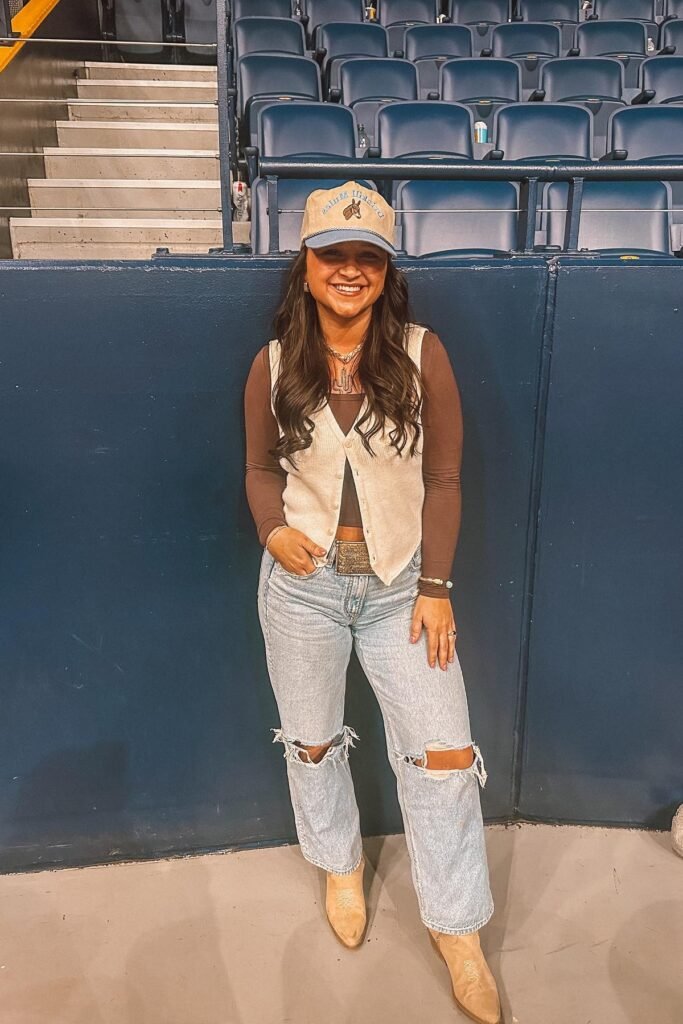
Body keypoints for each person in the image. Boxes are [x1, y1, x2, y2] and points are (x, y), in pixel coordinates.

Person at [244, 181, 501, 1024]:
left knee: (443, 756)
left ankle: (457, 927)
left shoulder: (424, 353)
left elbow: (445, 478)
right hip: (303, 591)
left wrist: (435, 588)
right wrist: (269, 530)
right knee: (313, 743)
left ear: (386, 272)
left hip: (400, 590)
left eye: (367, 256)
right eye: (332, 254)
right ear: (307, 265)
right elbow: (258, 470)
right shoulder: (274, 361)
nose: (348, 269)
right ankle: (341, 867)